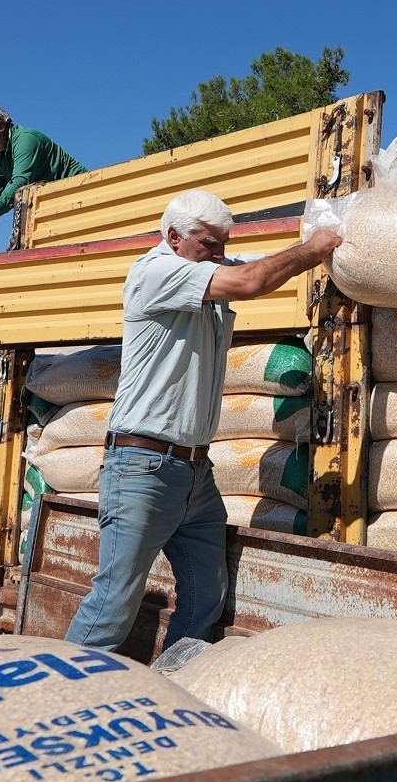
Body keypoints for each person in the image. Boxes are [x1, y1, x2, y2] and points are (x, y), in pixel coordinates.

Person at [64, 189, 342, 652]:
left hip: (195, 473)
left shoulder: (201, 266)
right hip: (143, 468)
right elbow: (251, 280)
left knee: (205, 596)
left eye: (222, 244)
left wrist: (336, 228)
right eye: (209, 244)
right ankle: (60, 707)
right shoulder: (155, 272)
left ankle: (176, 683)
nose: (218, 253)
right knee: (114, 602)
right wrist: (315, 249)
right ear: (173, 236)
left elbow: (257, 264)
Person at [0, 105, 85, 245]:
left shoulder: (26, 139)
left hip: (82, 195)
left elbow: (21, 183)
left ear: (0, 126)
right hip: (52, 205)